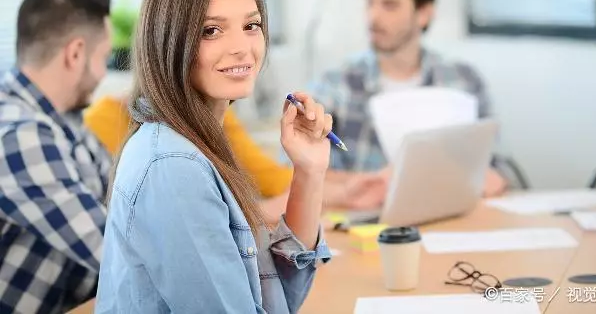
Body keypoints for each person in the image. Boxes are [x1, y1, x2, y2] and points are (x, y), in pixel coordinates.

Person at [96, 0, 332, 313]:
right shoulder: (173, 165)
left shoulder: (197, 142)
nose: (241, 48)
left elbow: (275, 299)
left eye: (251, 26)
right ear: (169, 41)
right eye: (211, 31)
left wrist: (309, 170)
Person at [311, 0, 508, 200]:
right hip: (365, 228)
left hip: (450, 221)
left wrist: (491, 178)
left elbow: (498, 167)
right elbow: (298, 173)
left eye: (389, 5)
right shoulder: (335, 85)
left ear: (424, 13)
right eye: (370, 2)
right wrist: (372, 184)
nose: (373, 17)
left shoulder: (463, 81)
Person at [0, 0, 113, 313]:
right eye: (105, 57)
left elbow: (125, 208)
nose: (105, 72)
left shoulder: (65, 123)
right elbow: (121, 251)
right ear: (76, 53)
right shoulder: (20, 135)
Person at [85, 95, 386, 213]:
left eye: (250, 27)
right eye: (213, 31)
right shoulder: (150, 142)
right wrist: (265, 212)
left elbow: (269, 177)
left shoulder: (213, 109)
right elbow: (195, 217)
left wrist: (347, 188)